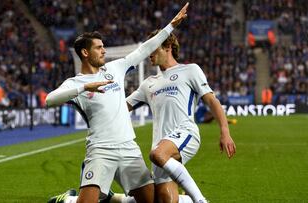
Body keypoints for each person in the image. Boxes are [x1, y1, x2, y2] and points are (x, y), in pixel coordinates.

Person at [45, 3, 190, 203]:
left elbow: (143, 49)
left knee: (152, 201)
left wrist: (171, 26)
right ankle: (68, 200)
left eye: (103, 46)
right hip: (100, 150)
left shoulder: (116, 68)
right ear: (85, 53)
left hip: (129, 148)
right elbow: (49, 100)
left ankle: (112, 199)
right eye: (99, 47)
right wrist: (84, 88)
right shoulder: (75, 83)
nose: (104, 50)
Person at [124, 29, 237, 203]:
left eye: (152, 48)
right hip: (160, 145)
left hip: (185, 133)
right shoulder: (148, 84)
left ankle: (200, 200)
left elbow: (212, 101)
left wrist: (225, 131)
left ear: (168, 47)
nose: (148, 54)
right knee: (165, 200)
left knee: (157, 154)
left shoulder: (190, 70)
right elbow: (122, 107)